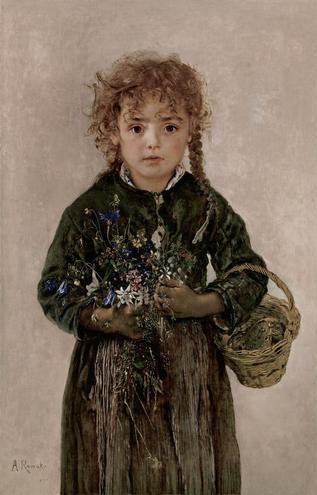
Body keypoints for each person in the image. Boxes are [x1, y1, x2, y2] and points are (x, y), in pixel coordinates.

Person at [37, 51, 268, 495]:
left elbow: (249, 271)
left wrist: (201, 302)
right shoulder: (90, 209)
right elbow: (54, 286)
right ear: (114, 133)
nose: (152, 143)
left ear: (190, 132)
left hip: (191, 376)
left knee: (192, 475)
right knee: (114, 476)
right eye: (136, 127)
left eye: (169, 127)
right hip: (110, 377)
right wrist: (106, 317)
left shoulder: (205, 205)